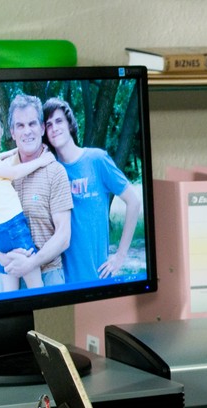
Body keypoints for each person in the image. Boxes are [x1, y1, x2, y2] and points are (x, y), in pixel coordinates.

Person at [42, 97, 142, 283]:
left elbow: (134, 202)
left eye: (59, 121)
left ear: (70, 124)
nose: (54, 128)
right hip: (62, 279)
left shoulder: (97, 159)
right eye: (48, 125)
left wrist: (120, 255)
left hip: (98, 276)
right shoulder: (52, 170)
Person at [0, 94, 73, 287]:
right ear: (12, 132)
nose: (27, 131)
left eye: (32, 124)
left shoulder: (55, 171)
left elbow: (63, 237)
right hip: (9, 273)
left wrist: (30, 263)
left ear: (42, 128)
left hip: (47, 276)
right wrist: (3, 260)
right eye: (20, 125)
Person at [0, 107, 54, 291]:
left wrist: (17, 149)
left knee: (10, 291)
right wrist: (41, 161)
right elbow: (13, 173)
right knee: (36, 286)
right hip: (13, 226)